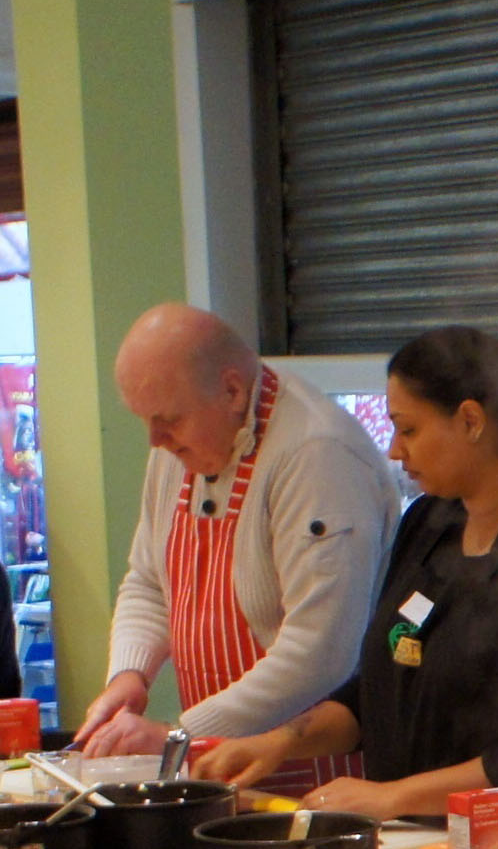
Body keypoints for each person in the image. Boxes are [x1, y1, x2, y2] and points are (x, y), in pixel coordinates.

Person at [197, 327, 498, 849]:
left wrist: (394, 797)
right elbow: (389, 682)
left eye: (408, 429)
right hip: (426, 845)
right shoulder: (431, 521)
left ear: (470, 421)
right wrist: (280, 742)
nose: (394, 451)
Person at [80, 304, 395, 790]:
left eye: (167, 420)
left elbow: (321, 650)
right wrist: (130, 675)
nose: (154, 439)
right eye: (145, 420)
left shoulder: (317, 454)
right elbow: (149, 581)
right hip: (225, 770)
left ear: (231, 390)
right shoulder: (179, 446)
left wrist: (180, 735)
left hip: (320, 775)